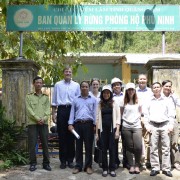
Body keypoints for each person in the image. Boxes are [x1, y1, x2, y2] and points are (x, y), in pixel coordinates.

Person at [52, 66, 80, 169]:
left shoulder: (76, 85)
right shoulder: (58, 85)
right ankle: (63, 161)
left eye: (69, 71)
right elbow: (54, 101)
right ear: (63, 73)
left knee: (71, 137)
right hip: (62, 111)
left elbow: (78, 100)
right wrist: (53, 113)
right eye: (66, 71)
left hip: (72, 111)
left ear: (71, 73)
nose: (68, 73)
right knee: (62, 137)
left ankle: (70, 160)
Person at [144, 82, 175, 177]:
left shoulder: (167, 100)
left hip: (165, 125)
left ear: (161, 88)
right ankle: (155, 168)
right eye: (154, 87)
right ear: (152, 89)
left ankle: (166, 168)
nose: (156, 89)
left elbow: (171, 113)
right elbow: (146, 114)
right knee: (153, 147)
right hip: (153, 125)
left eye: (158, 87)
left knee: (166, 148)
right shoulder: (149, 100)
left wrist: (171, 125)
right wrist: (147, 126)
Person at [68, 81, 97, 175]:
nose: (84, 88)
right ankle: (78, 166)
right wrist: (70, 124)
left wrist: (95, 125)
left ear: (89, 88)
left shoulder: (93, 99)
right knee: (78, 146)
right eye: (83, 86)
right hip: (78, 125)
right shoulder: (75, 99)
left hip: (89, 125)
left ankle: (88, 166)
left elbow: (95, 113)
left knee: (89, 146)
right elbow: (72, 112)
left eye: (86, 86)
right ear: (80, 88)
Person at [26, 76, 51, 171]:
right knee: (32, 144)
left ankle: (46, 163)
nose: (39, 84)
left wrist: (43, 119)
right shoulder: (29, 96)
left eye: (40, 82)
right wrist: (37, 119)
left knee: (45, 144)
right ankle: (32, 163)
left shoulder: (45, 97)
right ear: (34, 84)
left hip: (43, 123)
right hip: (32, 123)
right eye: (37, 82)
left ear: (42, 84)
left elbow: (47, 109)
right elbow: (29, 109)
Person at [96, 85, 120, 177]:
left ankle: (112, 169)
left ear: (110, 94)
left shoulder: (114, 103)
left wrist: (117, 130)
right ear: (102, 94)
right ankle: (105, 169)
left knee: (112, 149)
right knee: (103, 149)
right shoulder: (100, 104)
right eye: (104, 93)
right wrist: (97, 134)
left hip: (112, 130)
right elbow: (97, 119)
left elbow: (118, 118)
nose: (106, 94)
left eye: (108, 93)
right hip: (102, 130)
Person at [121, 83, 142, 174]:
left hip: (137, 126)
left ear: (134, 91)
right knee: (129, 147)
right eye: (129, 90)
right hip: (126, 126)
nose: (130, 91)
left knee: (138, 146)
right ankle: (131, 165)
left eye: (132, 89)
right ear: (126, 91)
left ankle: (137, 164)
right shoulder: (123, 101)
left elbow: (140, 113)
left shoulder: (138, 101)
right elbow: (122, 114)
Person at [161, 80, 180, 171]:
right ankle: (165, 163)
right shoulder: (159, 97)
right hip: (163, 122)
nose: (168, 88)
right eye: (166, 86)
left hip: (174, 121)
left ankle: (176, 162)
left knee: (174, 143)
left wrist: (174, 95)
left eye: (169, 86)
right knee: (164, 143)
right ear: (162, 87)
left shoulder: (173, 97)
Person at [136, 73, 153, 169]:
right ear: (138, 80)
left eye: (144, 79)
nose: (142, 81)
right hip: (137, 118)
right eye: (140, 79)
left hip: (147, 118)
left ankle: (147, 160)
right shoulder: (134, 91)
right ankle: (139, 160)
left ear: (147, 80)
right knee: (138, 141)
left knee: (147, 140)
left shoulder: (151, 92)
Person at [111, 77, 124, 169]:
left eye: (118, 84)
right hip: (114, 121)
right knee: (114, 142)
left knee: (126, 142)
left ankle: (126, 162)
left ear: (121, 86)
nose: (116, 86)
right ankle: (115, 161)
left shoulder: (125, 95)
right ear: (112, 87)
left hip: (125, 120)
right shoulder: (110, 96)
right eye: (114, 85)